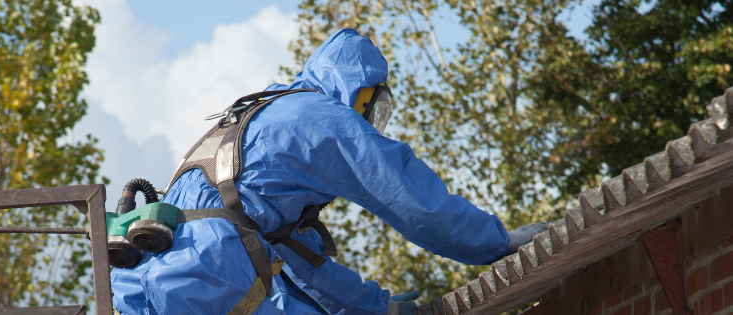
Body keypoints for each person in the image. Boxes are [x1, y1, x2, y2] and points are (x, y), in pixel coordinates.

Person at [110, 28, 547, 315]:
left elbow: (299, 257)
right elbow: (412, 200)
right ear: (358, 91)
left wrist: (376, 308)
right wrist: (496, 242)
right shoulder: (319, 118)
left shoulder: (254, 119)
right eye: (373, 108)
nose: (369, 123)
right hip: (209, 274)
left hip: (139, 279)